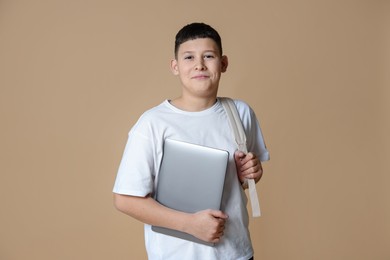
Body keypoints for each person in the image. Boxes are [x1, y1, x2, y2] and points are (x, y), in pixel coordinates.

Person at [113, 22, 270, 260]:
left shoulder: (240, 112)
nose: (199, 64)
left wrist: (251, 174)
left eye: (209, 56)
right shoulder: (152, 123)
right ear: (175, 67)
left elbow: (245, 182)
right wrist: (189, 224)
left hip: (236, 253)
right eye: (189, 57)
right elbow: (125, 199)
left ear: (223, 63)